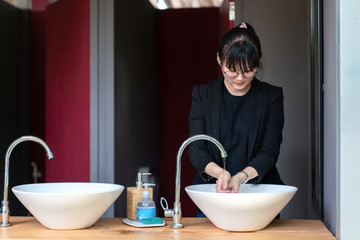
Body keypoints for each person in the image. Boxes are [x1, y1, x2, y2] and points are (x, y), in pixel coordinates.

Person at [188, 22, 284, 194]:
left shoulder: (271, 96)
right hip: (213, 190)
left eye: (248, 70)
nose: (239, 78)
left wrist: (240, 177)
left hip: (259, 191)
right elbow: (196, 148)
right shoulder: (203, 95)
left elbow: (269, 150)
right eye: (232, 70)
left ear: (258, 62)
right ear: (219, 59)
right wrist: (220, 174)